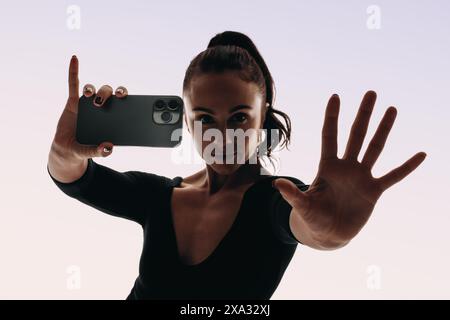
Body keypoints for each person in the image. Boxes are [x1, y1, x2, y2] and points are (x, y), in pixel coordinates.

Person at [47, 31, 426, 299]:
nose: (223, 135)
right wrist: (65, 151)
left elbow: (307, 225)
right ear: (188, 121)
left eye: (240, 117)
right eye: (206, 118)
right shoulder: (158, 196)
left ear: (263, 117)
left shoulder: (280, 198)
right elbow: (76, 177)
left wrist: (332, 232)